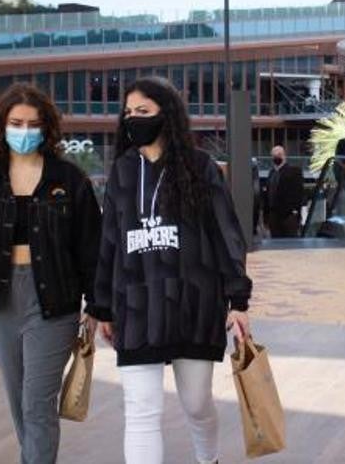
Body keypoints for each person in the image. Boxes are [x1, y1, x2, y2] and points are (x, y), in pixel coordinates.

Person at [0, 83, 105, 464]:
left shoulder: (69, 180)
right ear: (2, 127)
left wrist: (97, 306)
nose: (25, 131)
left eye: (33, 123)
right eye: (17, 123)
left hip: (54, 302)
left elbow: (91, 248)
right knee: (19, 401)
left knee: (37, 403)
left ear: (47, 128)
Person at [92, 77, 252, 464]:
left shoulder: (201, 168)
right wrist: (100, 307)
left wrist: (238, 299)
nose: (133, 119)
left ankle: (208, 458)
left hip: (193, 303)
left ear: (168, 115)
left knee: (197, 404)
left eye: (143, 112)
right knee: (141, 411)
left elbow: (226, 233)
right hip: (136, 306)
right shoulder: (123, 171)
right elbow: (109, 241)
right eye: (128, 113)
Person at [264, 145, 305, 237]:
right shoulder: (271, 173)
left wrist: (295, 212)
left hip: (288, 216)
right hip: (273, 216)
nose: (276, 157)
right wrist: (266, 217)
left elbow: (299, 193)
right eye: (274, 155)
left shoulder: (294, 172)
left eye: (279, 154)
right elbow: (268, 195)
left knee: (290, 245)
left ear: (284, 156)